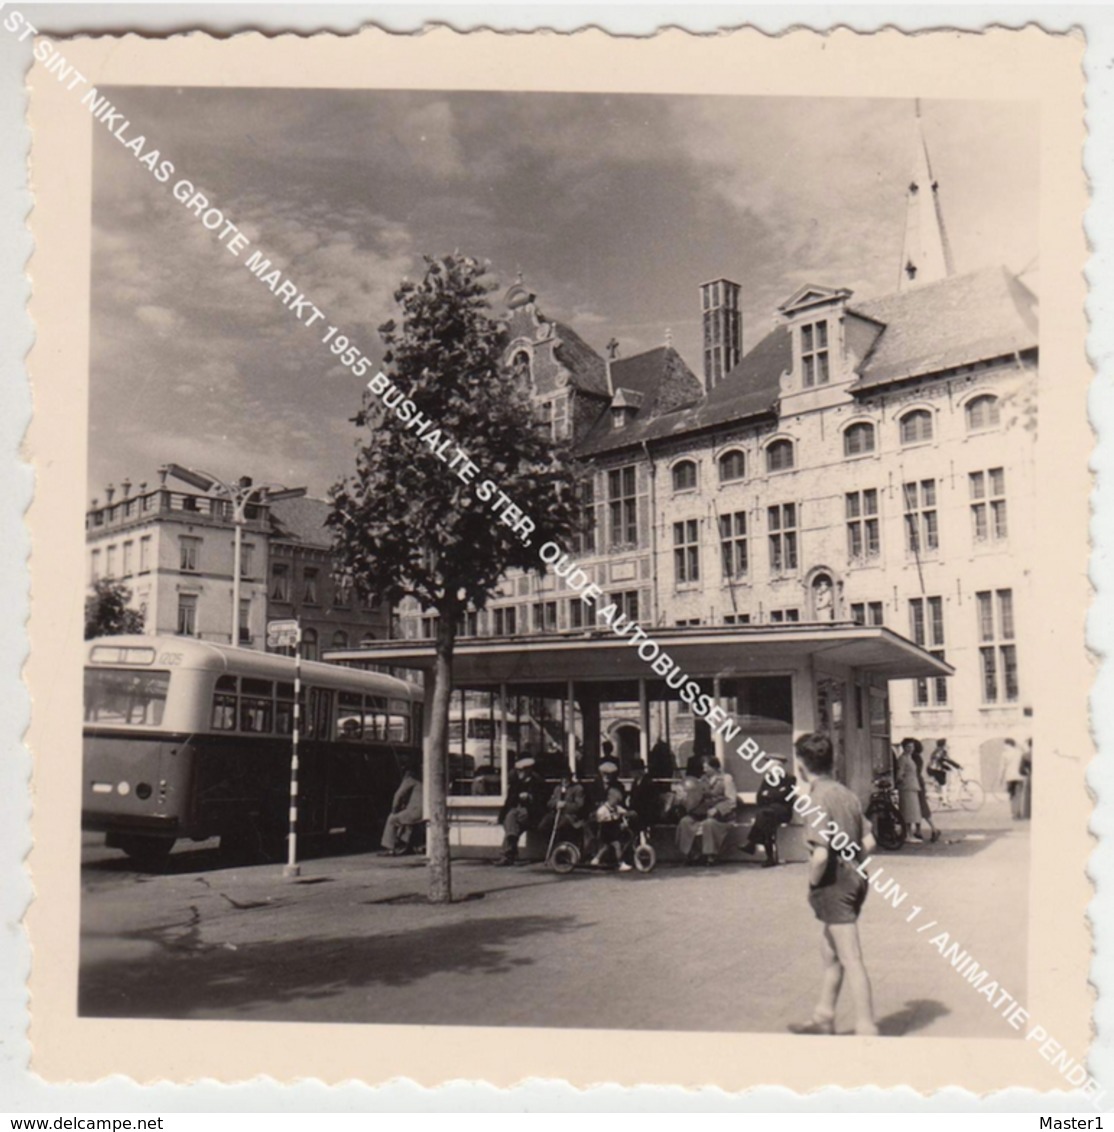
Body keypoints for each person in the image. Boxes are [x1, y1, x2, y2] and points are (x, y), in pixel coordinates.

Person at [788, 731, 878, 1037]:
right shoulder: (846, 793)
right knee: (831, 953)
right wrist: (856, 867)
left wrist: (814, 884)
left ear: (801, 765)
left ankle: (866, 1028)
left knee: (850, 957)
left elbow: (821, 855)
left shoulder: (816, 798)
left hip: (832, 885)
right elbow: (869, 839)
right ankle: (823, 1016)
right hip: (853, 879)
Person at [741, 751, 796, 867]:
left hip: (783, 811)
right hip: (769, 812)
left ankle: (752, 844)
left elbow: (784, 796)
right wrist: (773, 795)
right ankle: (768, 858)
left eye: (770, 764)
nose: (767, 767)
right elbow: (759, 797)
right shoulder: (767, 779)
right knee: (765, 819)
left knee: (763, 815)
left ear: (778, 766)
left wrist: (769, 795)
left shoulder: (790, 779)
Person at [495, 756, 548, 866]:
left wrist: (530, 797)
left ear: (529, 770)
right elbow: (508, 802)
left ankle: (507, 855)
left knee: (511, 819)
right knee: (512, 822)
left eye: (521, 771)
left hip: (532, 814)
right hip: (518, 815)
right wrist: (500, 818)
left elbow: (543, 802)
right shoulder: (516, 784)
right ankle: (508, 853)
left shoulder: (538, 783)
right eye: (518, 771)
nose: (519, 773)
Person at [695, 755, 738, 864]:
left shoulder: (726, 779)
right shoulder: (702, 780)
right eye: (703, 767)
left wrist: (717, 809)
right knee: (685, 822)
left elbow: (732, 801)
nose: (704, 769)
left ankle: (710, 856)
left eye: (707, 767)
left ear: (714, 767)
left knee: (708, 824)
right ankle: (692, 854)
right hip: (704, 813)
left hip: (722, 817)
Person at [379, 760, 424, 856]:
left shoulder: (410, 780)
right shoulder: (422, 780)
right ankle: (406, 845)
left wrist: (394, 809)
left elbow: (398, 795)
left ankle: (389, 847)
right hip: (424, 811)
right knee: (405, 820)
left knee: (392, 819)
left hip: (416, 811)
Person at [538, 771, 588, 845]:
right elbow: (549, 803)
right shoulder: (557, 788)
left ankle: (562, 848)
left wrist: (565, 805)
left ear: (570, 777)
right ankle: (551, 846)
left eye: (566, 777)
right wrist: (556, 804)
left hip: (570, 817)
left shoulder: (578, 788)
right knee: (543, 825)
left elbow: (579, 806)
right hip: (556, 814)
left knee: (560, 827)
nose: (564, 780)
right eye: (563, 778)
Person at [591, 784, 633, 871]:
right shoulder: (603, 810)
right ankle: (620, 863)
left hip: (613, 832)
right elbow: (599, 820)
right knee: (617, 845)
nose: (616, 803)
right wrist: (610, 817)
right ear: (610, 798)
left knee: (606, 847)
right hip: (606, 831)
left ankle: (596, 859)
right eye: (615, 800)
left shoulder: (616, 808)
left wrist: (628, 813)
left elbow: (623, 812)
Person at [675, 759, 709, 862]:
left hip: (707, 811)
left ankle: (699, 854)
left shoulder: (709, 781)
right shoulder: (695, 782)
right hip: (695, 812)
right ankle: (690, 853)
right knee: (684, 822)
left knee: (690, 823)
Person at [895, 738, 925, 842]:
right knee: (908, 811)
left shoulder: (909, 758)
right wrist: (902, 782)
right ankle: (907, 834)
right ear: (903, 747)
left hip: (912, 786)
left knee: (913, 811)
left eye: (912, 747)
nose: (910, 749)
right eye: (907, 747)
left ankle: (909, 834)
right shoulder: (903, 758)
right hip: (906, 787)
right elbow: (899, 774)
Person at [910, 745, 939, 843]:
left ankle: (933, 829)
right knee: (919, 807)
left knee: (921, 806)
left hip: (916, 783)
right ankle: (918, 831)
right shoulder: (918, 757)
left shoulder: (914, 757)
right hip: (918, 782)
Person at [1000, 737, 1026, 820]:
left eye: (1005, 744)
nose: (1003, 746)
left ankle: (1014, 814)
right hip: (1020, 776)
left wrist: (1000, 779)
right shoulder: (1019, 752)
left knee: (1012, 796)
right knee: (1019, 795)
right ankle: (1018, 813)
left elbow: (1002, 767)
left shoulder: (1004, 754)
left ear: (1008, 744)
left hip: (1010, 777)